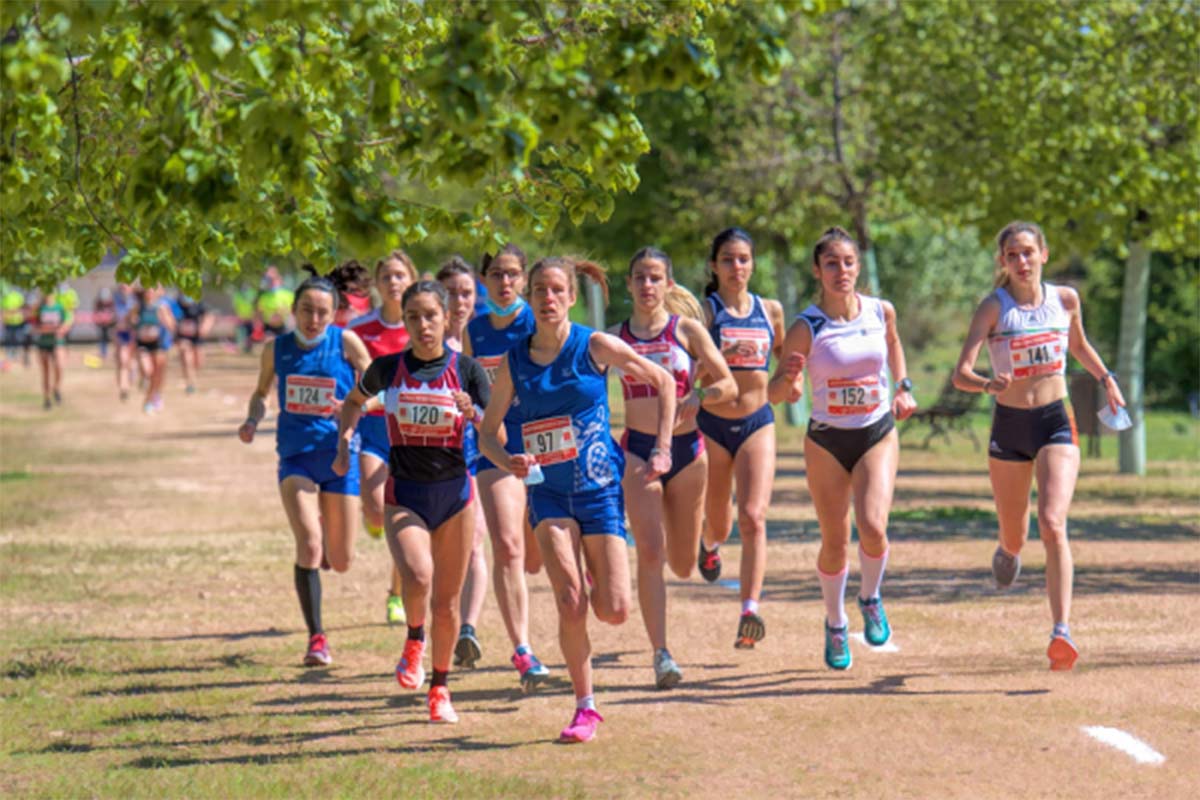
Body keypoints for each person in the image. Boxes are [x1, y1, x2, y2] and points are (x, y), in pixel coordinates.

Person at [480, 256, 674, 743]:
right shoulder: (515, 360)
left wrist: (663, 448)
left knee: (612, 610)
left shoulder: (595, 346)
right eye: (539, 289)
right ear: (530, 294)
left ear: (570, 296)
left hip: (599, 489)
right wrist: (508, 461)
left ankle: (595, 567)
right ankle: (584, 706)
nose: (547, 298)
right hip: (546, 492)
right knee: (569, 600)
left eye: (557, 290)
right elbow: (486, 432)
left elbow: (666, 381)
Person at [953, 221, 1125, 671]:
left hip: (1055, 421)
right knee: (1017, 533)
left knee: (1052, 522)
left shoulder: (1065, 300)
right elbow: (961, 373)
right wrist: (988, 384)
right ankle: (1008, 548)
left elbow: (1080, 347)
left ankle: (1061, 630)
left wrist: (1107, 380)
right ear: (1003, 262)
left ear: (1044, 254)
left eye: (1028, 252)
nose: (1022, 261)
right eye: (1012, 254)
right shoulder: (993, 307)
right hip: (1009, 425)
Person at [334, 280, 489, 723]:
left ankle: (440, 688)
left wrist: (472, 412)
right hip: (405, 492)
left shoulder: (469, 372)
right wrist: (346, 442)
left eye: (431, 316)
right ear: (405, 321)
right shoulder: (386, 369)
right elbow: (353, 403)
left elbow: (496, 423)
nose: (423, 325)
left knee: (448, 603)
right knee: (418, 575)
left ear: (446, 319)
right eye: (414, 316)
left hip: (456, 495)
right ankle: (414, 640)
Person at [768, 227, 918, 670]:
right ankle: (835, 623)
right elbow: (776, 391)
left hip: (876, 430)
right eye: (831, 263)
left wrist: (903, 386)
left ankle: (870, 597)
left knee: (872, 526)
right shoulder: (806, 327)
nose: (841, 271)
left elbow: (893, 343)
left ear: (858, 267)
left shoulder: (879, 311)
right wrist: (790, 383)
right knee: (834, 541)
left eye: (848, 262)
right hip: (827, 441)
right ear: (817, 270)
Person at [609, 247, 736, 688]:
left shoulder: (688, 331)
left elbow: (728, 384)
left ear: (668, 284)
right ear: (629, 284)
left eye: (655, 277)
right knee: (650, 552)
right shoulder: (614, 338)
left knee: (682, 564)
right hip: (639, 452)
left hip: (687, 453)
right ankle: (661, 654)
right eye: (640, 277)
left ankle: (703, 541)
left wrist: (700, 396)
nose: (647, 286)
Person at [238, 274, 372, 666]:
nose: (314, 319)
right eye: (307, 311)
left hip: (339, 457)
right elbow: (261, 393)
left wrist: (351, 404)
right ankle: (317, 638)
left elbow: (376, 386)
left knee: (342, 559)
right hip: (296, 457)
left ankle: (330, 538)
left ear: (334, 314)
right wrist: (251, 419)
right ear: (294, 311)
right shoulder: (276, 348)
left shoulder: (346, 342)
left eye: (322, 312)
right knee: (309, 544)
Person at [464, 243, 552, 691]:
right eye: (496, 273)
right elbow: (467, 390)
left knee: (535, 558)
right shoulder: (473, 331)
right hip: (494, 450)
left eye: (513, 274)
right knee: (508, 546)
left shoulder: (537, 323)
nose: (505, 282)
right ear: (485, 279)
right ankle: (522, 650)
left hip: (542, 445)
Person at [694, 227, 786, 649]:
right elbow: (690, 365)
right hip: (712, 424)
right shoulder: (706, 313)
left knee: (753, 516)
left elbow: (785, 357)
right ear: (714, 266)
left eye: (744, 259)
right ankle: (709, 544)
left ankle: (750, 609)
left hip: (757, 421)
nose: (737, 267)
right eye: (728, 259)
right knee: (721, 521)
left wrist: (793, 378)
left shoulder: (770, 311)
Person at [346, 251, 416, 625]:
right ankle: (372, 517)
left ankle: (396, 593)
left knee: (398, 514)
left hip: (410, 429)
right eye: (386, 276)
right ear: (376, 282)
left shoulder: (420, 324)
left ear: (411, 279)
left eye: (400, 275)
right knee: (375, 507)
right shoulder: (360, 329)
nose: (393, 282)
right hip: (374, 427)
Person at [437, 256, 491, 669]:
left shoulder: (486, 340)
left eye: (467, 293)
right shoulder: (424, 345)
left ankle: (468, 629)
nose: (460, 301)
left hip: (478, 456)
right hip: (433, 462)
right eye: (452, 293)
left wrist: (474, 412)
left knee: (475, 543)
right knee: (444, 552)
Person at [128, 286, 176, 414]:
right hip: (143, 344)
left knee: (157, 375)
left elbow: (172, 325)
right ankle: (144, 381)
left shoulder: (161, 307)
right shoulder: (138, 306)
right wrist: (134, 321)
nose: (149, 293)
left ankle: (150, 399)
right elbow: (131, 322)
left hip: (158, 343)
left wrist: (165, 320)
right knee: (148, 370)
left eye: (152, 291)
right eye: (147, 291)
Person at [33, 289, 72, 409]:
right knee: (46, 371)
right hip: (44, 342)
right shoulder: (39, 308)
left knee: (59, 366)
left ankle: (56, 388)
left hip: (57, 342)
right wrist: (49, 329)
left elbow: (66, 323)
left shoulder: (60, 307)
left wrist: (62, 329)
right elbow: (35, 327)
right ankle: (47, 398)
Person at [175, 293, 213, 393]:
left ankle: (192, 376)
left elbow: (209, 315)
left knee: (199, 362)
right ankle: (190, 383)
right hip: (183, 336)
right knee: (187, 358)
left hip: (196, 336)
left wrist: (205, 327)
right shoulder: (177, 303)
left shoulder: (198, 303)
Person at [92, 288, 117, 361]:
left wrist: (110, 319)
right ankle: (103, 353)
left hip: (111, 324)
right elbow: (95, 314)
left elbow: (115, 314)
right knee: (103, 338)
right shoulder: (98, 303)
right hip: (101, 324)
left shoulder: (112, 303)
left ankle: (116, 352)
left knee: (115, 337)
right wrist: (100, 319)